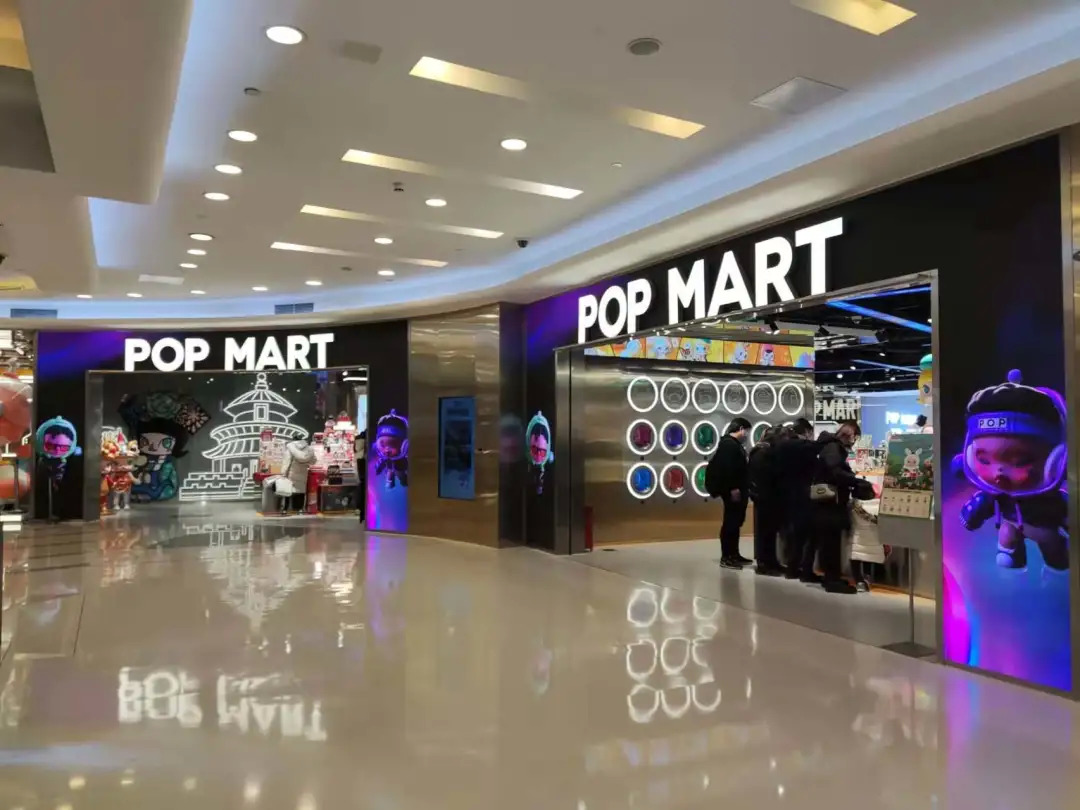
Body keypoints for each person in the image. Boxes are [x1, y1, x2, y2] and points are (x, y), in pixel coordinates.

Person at [811, 421, 875, 594]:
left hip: (828, 502)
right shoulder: (834, 448)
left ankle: (831, 577)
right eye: (854, 437)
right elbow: (836, 472)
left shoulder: (829, 446)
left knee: (829, 542)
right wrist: (855, 480)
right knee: (831, 542)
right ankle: (832, 581)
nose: (854, 441)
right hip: (831, 502)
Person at [773, 418, 818, 580]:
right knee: (805, 535)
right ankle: (803, 569)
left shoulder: (781, 446)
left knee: (792, 534)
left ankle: (791, 567)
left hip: (784, 495)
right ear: (807, 431)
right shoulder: (804, 447)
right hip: (802, 494)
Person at [713, 417, 752, 569]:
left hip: (737, 489)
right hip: (732, 490)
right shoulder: (728, 445)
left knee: (735, 522)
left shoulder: (733, 444)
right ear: (741, 429)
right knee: (730, 522)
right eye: (747, 431)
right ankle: (726, 556)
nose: (747, 435)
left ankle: (734, 554)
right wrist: (733, 488)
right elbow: (728, 469)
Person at [748, 425, 784, 576]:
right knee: (765, 532)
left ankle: (770, 561)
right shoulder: (764, 452)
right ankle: (764, 563)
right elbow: (765, 476)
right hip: (765, 496)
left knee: (768, 531)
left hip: (764, 496)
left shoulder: (760, 450)